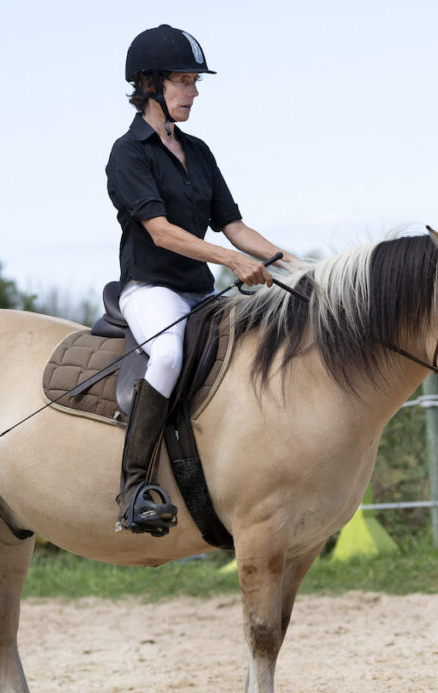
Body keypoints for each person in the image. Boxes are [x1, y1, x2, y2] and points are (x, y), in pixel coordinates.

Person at [106, 23, 297, 537]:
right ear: (150, 85)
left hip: (199, 293)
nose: (193, 92)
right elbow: (162, 233)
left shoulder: (200, 151)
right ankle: (132, 489)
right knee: (167, 355)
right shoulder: (129, 154)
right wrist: (232, 263)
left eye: (195, 82)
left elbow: (233, 226)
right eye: (184, 81)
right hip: (151, 289)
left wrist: (291, 263)